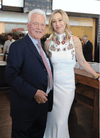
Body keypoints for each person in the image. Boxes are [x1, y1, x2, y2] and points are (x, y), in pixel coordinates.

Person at [43, 9, 100, 138]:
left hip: (67, 88)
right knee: (51, 121)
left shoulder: (74, 41)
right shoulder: (48, 43)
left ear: (65, 21)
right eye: (54, 21)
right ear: (51, 24)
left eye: (60, 20)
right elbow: (45, 67)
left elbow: (83, 62)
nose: (57, 24)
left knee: (61, 120)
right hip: (52, 88)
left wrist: (96, 75)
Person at [5, 9, 53, 138]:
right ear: (28, 25)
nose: (39, 27)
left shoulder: (42, 46)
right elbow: (11, 75)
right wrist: (34, 93)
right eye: (36, 23)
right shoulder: (18, 46)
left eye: (42, 24)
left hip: (41, 107)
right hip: (24, 109)